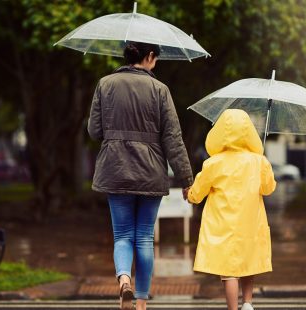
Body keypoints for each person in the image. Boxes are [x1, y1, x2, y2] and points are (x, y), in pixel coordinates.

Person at [87, 41, 193, 310]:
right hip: (150, 172)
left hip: (115, 169)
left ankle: (124, 280)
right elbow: (173, 139)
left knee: (122, 235)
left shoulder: (105, 84)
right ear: (148, 56)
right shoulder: (160, 90)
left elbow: (94, 131)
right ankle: (142, 302)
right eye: (155, 58)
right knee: (144, 236)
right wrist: (186, 179)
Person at [187, 109, 277, 310]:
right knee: (248, 263)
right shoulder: (258, 161)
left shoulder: (213, 163)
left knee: (228, 271)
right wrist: (265, 166)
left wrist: (189, 195)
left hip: (223, 225)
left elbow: (197, 193)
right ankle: (247, 303)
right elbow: (269, 188)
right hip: (251, 222)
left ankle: (233, 308)